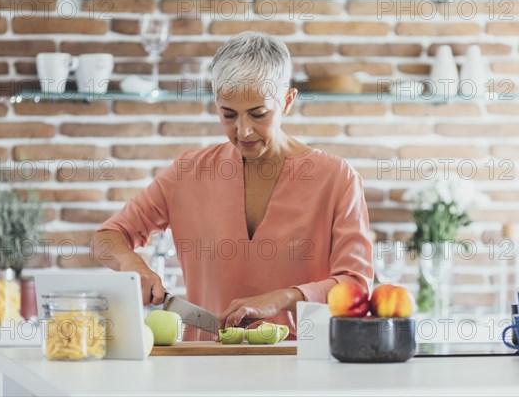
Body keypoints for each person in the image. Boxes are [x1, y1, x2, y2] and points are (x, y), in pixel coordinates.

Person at [92, 31, 373, 341]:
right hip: (204, 367)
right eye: (228, 114)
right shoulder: (188, 171)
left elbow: (355, 286)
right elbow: (107, 239)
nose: (243, 130)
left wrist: (282, 298)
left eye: (258, 114)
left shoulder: (337, 178)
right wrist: (134, 266)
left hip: (300, 366)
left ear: (288, 101)